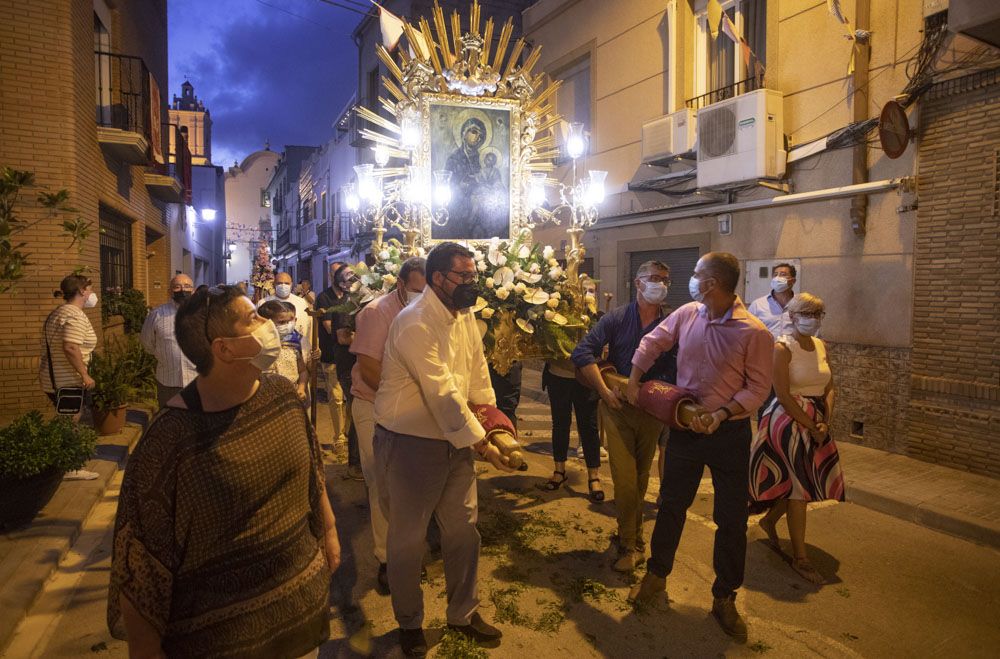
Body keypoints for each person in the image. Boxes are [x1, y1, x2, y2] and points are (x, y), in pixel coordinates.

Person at [107, 285, 340, 659]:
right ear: (224, 349)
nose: (267, 323)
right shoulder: (170, 439)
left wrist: (328, 530)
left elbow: (311, 468)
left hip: (298, 611)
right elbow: (142, 562)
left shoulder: (280, 394)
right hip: (220, 637)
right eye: (254, 318)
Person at [373, 242, 513, 657]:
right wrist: (483, 441)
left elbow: (476, 370)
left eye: (474, 276)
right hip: (410, 441)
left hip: (456, 440)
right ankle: (409, 623)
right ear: (438, 279)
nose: (472, 284)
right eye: (463, 277)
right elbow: (443, 393)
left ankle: (462, 612)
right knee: (408, 539)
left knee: (464, 529)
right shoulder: (414, 322)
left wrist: (490, 417)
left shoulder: (465, 314)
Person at [626, 252, 773, 643]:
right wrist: (634, 379)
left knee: (731, 520)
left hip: (729, 434)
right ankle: (657, 576)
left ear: (711, 283)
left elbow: (758, 387)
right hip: (687, 426)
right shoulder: (689, 313)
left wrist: (723, 414)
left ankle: (725, 597)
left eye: (696, 275)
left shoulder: (754, 331)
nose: (690, 281)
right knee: (672, 505)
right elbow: (653, 341)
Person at [571, 261, 677, 572]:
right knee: (626, 480)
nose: (660, 284)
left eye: (665, 279)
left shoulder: (671, 324)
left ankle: (631, 536)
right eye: (654, 279)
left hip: (652, 412)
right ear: (638, 283)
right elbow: (583, 352)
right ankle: (630, 545)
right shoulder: (617, 317)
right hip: (617, 409)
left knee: (642, 478)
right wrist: (604, 391)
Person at [751, 293, 842, 585]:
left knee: (802, 483)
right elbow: (782, 393)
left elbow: (829, 386)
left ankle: (768, 520)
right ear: (792, 317)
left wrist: (824, 422)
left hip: (816, 421)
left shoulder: (820, 346)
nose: (812, 320)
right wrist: (809, 423)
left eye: (817, 314)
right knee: (800, 488)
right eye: (806, 314)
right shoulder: (782, 348)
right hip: (786, 424)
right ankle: (800, 558)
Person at [350, 257, 427, 593]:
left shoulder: (434, 310)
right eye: (416, 290)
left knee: (413, 482)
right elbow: (369, 368)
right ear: (400, 285)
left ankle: (410, 551)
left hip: (414, 406)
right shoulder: (377, 313)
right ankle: (386, 559)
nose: (423, 297)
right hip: (373, 403)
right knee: (381, 480)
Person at [39, 274, 100, 480]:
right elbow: (70, 347)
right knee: (71, 422)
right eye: (90, 289)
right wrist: (85, 374)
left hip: (54, 378)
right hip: (67, 381)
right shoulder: (74, 315)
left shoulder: (59, 312)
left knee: (67, 421)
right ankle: (70, 467)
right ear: (82, 291)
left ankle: (66, 464)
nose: (92, 294)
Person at [540, 357, 604, 502]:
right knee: (560, 424)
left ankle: (593, 477)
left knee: (589, 427)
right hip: (557, 375)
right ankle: (559, 471)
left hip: (586, 376)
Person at [140, 273, 198, 408]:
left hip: (197, 381)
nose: (183, 290)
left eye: (187, 286)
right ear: (169, 291)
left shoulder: (204, 314)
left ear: (194, 291)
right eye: (177, 287)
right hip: (168, 382)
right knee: (168, 422)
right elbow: (147, 343)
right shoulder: (157, 315)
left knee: (197, 422)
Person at [331, 264, 365, 481]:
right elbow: (343, 337)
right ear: (342, 284)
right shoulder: (346, 305)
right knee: (357, 412)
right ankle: (355, 465)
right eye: (349, 277)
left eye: (356, 274)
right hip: (348, 367)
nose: (355, 278)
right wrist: (372, 338)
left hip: (359, 364)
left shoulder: (360, 302)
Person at [316, 261, 349, 447]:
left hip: (350, 356)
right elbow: (330, 328)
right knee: (336, 398)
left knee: (350, 398)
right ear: (332, 276)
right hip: (331, 356)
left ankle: (349, 432)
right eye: (337, 273)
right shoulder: (324, 298)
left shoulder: (350, 296)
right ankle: (339, 437)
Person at [258, 299, 309, 403]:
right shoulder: (258, 348)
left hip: (291, 395)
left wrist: (301, 388)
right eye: (281, 322)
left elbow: (302, 371)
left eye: (289, 321)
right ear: (265, 323)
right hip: (265, 398)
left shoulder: (293, 345)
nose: (287, 325)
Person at [257, 271, 313, 351]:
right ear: (274, 284)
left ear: (291, 285)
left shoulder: (301, 302)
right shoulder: (263, 303)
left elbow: (307, 325)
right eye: (279, 283)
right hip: (272, 348)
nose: (283, 286)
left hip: (298, 347)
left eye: (286, 283)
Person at [747, 263, 797, 339]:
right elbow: (747, 331)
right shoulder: (757, 305)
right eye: (775, 274)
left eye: (783, 274)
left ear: (793, 281)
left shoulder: (801, 304)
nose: (778, 277)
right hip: (765, 349)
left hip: (793, 349)